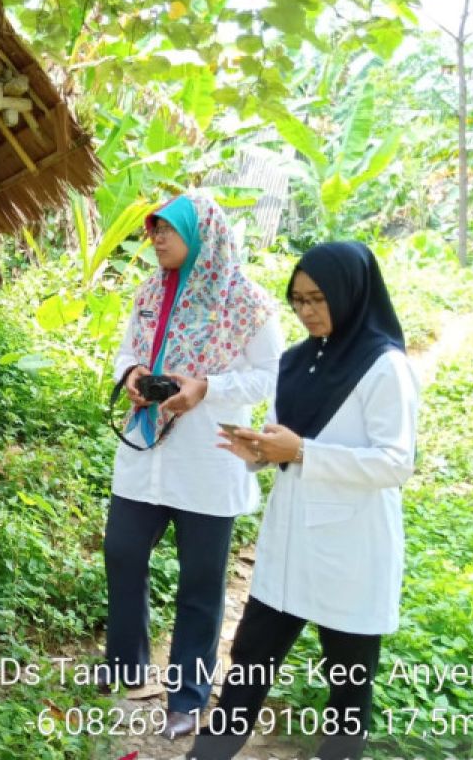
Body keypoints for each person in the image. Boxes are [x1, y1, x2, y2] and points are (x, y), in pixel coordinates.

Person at [189, 241, 419, 760]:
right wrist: (261, 451)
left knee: (347, 688)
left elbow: (395, 463)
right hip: (289, 547)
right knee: (249, 660)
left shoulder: (385, 368)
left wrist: (304, 452)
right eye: (298, 300)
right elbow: (285, 445)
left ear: (351, 294)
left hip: (352, 552)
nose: (307, 311)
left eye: (319, 298)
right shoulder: (294, 362)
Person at [99, 192, 282, 739]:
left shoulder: (246, 303)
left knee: (201, 583)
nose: (154, 239)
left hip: (208, 458)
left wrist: (209, 388)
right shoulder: (149, 292)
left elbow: (272, 376)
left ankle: (188, 695)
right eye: (152, 230)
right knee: (122, 550)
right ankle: (126, 663)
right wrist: (132, 374)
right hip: (147, 450)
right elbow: (126, 348)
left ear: (202, 236)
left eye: (165, 231)